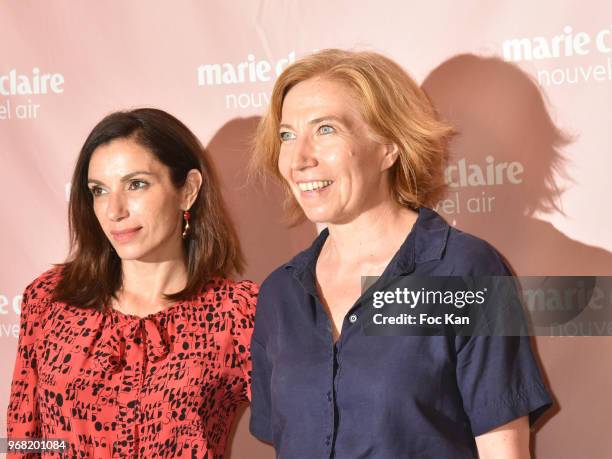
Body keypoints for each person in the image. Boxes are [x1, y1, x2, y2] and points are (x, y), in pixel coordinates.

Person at [249, 49, 552, 458]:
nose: (299, 159)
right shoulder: (280, 294)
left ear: (389, 146)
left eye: (325, 130)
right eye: (287, 135)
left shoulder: (463, 272)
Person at [7, 108, 258, 458]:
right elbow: (23, 438)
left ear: (187, 190)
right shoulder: (50, 299)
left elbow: (307, 427)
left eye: (136, 184)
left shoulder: (237, 314)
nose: (114, 210)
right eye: (99, 190)